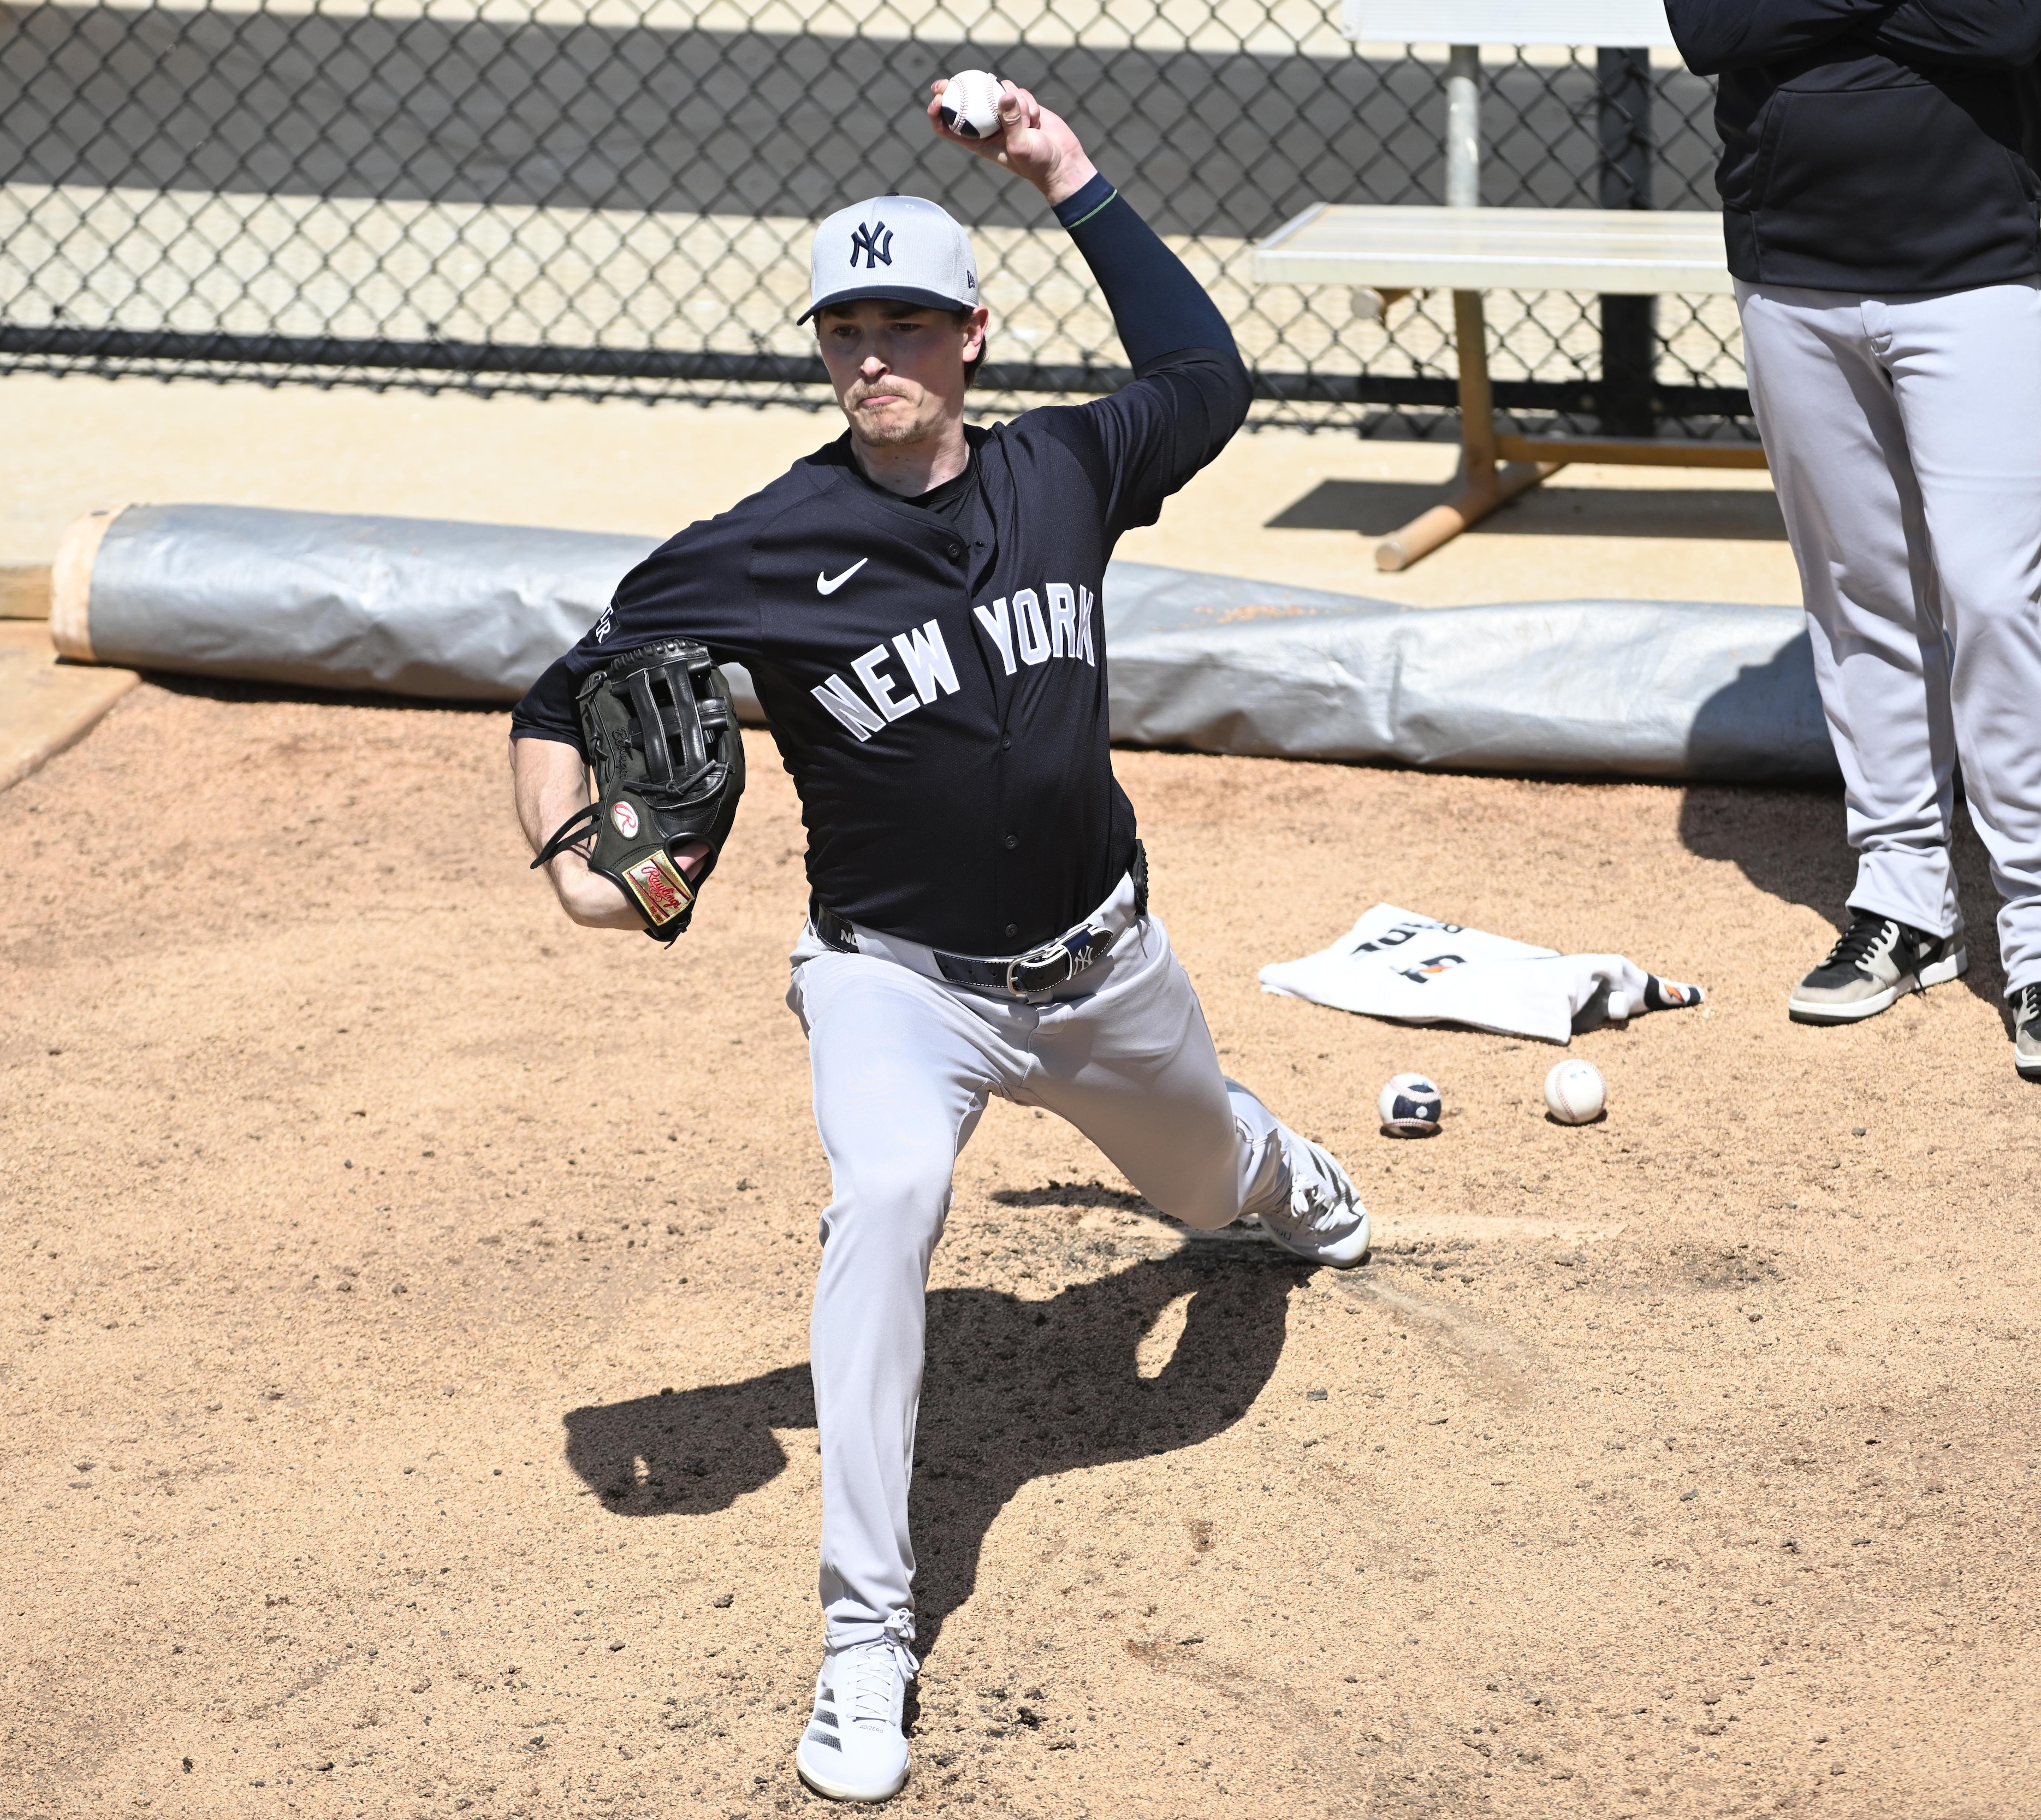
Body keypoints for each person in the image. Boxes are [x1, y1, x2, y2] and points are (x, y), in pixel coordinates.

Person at [508, 78, 1372, 1804]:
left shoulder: (1065, 467)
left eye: (908, 317)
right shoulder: (756, 549)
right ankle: (863, 1637)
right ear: (822, 346)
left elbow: (1209, 381)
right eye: (847, 323)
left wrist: (1071, 177)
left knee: (1208, 1194)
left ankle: (1275, 1167)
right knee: (889, 1195)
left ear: (974, 335)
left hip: (1103, 965)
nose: (875, 349)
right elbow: (561, 691)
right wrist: (569, 859)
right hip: (894, 982)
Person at [1665, 0, 2041, 1080]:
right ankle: (1903, 900)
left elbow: (1999, 28)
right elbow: (1714, 28)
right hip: (1790, 266)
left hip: (1971, 266)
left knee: (1990, 598)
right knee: (1857, 592)